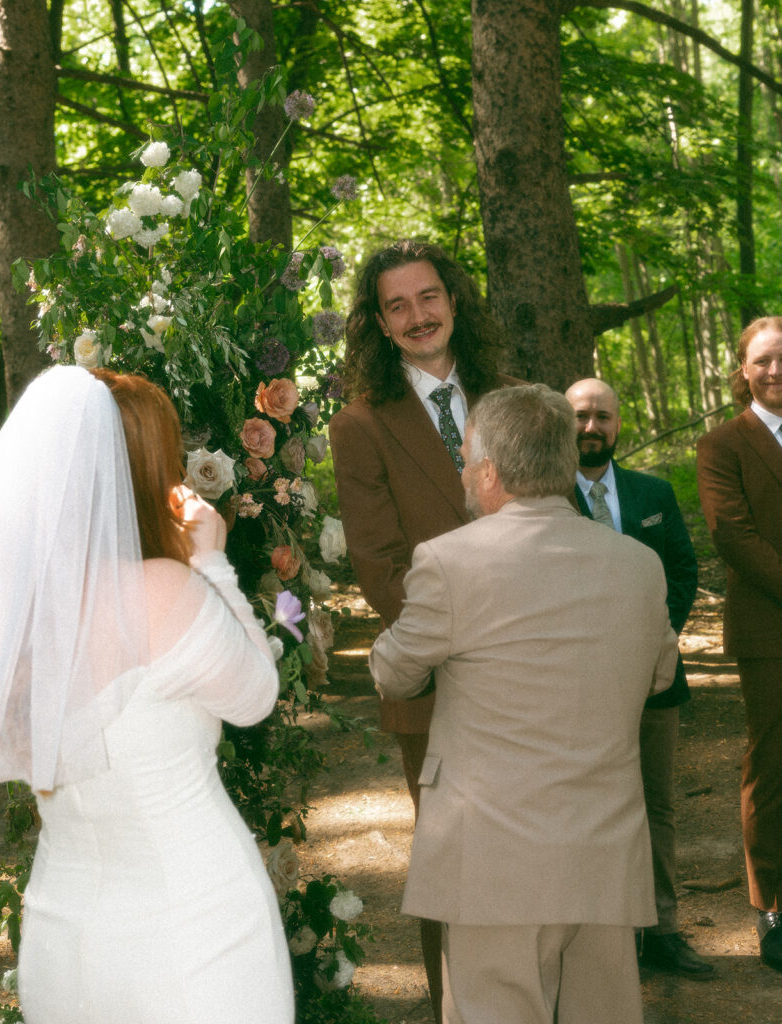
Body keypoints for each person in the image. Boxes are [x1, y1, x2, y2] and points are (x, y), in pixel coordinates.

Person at [0, 365, 294, 1024]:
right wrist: (212, 562)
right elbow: (256, 695)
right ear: (145, 470)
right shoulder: (163, 591)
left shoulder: (3, 616)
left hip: (61, 933)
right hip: (194, 927)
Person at [369, 384, 678, 1024]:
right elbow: (659, 674)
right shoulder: (641, 565)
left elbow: (395, 674)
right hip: (602, 851)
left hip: (491, 859)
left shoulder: (448, 561)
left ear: (489, 472)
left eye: (465, 460)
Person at [328, 239, 521, 1019]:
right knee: (454, 864)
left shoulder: (511, 399)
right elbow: (380, 570)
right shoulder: (360, 425)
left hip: (540, 677)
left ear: (453, 300)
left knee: (541, 852)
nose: (417, 315)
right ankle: (460, 1008)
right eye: (396, 305)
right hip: (439, 683)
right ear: (377, 323)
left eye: (428, 296)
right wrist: (482, 640)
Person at [564, 378, 711, 978]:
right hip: (572, 686)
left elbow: (681, 567)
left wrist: (653, 635)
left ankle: (662, 931)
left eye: (602, 416)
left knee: (656, 803)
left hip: (654, 678)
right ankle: (590, 941)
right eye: (580, 417)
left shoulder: (652, 491)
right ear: (562, 424)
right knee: (581, 806)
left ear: (620, 423)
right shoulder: (541, 497)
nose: (591, 427)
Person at [697, 316, 782, 973]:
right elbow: (732, 534)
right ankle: (771, 909)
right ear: (742, 370)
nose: (775, 370)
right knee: (773, 768)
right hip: (769, 630)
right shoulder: (722, 444)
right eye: (763, 360)